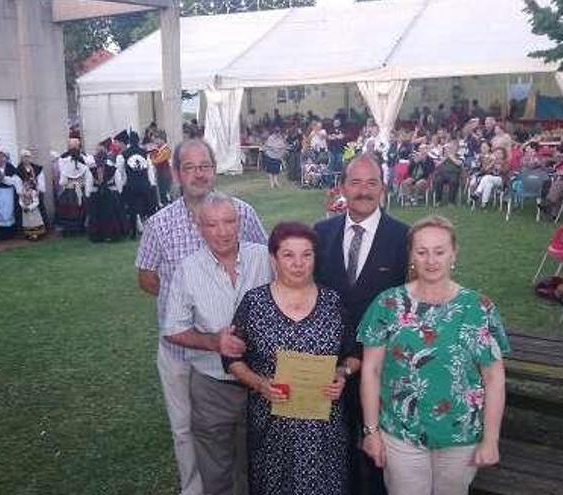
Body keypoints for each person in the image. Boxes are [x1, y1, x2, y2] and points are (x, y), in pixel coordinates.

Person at [136, 138, 267, 495]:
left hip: (245, 355)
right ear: (177, 173)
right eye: (189, 167)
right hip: (181, 350)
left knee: (241, 432)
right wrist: (185, 298)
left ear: (214, 169)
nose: (198, 174)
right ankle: (194, 489)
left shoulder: (242, 212)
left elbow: (264, 261)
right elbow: (147, 276)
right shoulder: (160, 224)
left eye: (205, 166)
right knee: (185, 428)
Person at [358, 215, 509, 495]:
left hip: (461, 435)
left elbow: (494, 378)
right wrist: (371, 431)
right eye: (422, 251)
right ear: (411, 255)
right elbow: (371, 371)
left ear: (454, 253)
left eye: (439, 251)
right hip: (400, 433)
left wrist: (491, 439)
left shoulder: (479, 308)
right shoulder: (388, 304)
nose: (431, 260)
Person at [221, 222, 357, 495]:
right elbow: (232, 359)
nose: (298, 263)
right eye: (288, 255)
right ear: (274, 260)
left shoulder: (332, 302)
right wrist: (259, 384)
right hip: (272, 428)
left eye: (306, 255)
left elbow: (354, 354)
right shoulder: (254, 302)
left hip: (323, 431)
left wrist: (342, 374)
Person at [163, 192, 273, 495]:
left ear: (240, 223)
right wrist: (215, 342)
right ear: (199, 228)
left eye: (229, 222)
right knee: (216, 472)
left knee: (259, 466)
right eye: (212, 225)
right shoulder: (188, 270)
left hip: (261, 386)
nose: (222, 231)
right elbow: (172, 329)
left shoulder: (263, 257)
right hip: (213, 387)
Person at [314, 153, 409, 495]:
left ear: (384, 188)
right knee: (334, 449)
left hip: (382, 368)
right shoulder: (321, 233)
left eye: (372, 183)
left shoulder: (403, 238)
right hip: (329, 366)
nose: (363, 191)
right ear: (342, 187)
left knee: (378, 450)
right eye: (355, 183)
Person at [87, 141, 128, 242]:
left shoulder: (91, 170)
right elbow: (119, 184)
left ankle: (97, 236)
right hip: (111, 195)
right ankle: (111, 235)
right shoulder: (113, 168)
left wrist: (88, 195)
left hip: (96, 195)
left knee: (96, 215)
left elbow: (89, 185)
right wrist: (118, 192)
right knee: (111, 215)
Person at [120, 131, 158, 239]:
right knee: (149, 209)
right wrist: (152, 184)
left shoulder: (123, 154)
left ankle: (133, 233)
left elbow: (121, 172)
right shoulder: (144, 153)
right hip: (145, 184)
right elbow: (150, 169)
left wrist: (122, 185)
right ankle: (152, 231)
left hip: (131, 184)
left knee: (132, 210)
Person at [56, 138, 93, 236]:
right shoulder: (65, 158)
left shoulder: (84, 157)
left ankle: (75, 229)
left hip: (73, 189)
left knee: (74, 209)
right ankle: (74, 229)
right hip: (76, 188)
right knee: (73, 209)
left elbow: (62, 180)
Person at [15, 149, 49, 231]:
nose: (26, 159)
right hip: (25, 194)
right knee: (25, 212)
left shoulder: (36, 168)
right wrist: (22, 192)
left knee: (39, 209)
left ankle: (42, 229)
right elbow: (17, 182)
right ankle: (27, 230)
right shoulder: (18, 170)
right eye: (24, 157)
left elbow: (40, 180)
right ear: (21, 158)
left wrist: (39, 190)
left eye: (28, 157)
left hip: (36, 193)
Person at [433, 141, 463, 205]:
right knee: (438, 180)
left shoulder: (459, 156)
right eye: (448, 148)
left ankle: (451, 201)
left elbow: (459, 163)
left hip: (453, 174)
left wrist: (451, 157)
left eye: (451, 148)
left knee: (454, 181)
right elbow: (436, 165)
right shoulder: (442, 156)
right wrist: (444, 158)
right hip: (442, 174)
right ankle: (438, 201)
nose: (449, 149)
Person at [149, 135, 174, 206]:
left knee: (165, 193)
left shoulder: (166, 150)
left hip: (165, 174)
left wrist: (152, 156)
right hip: (161, 174)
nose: (155, 143)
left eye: (156, 140)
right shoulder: (159, 150)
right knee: (162, 193)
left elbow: (156, 161)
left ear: (162, 139)